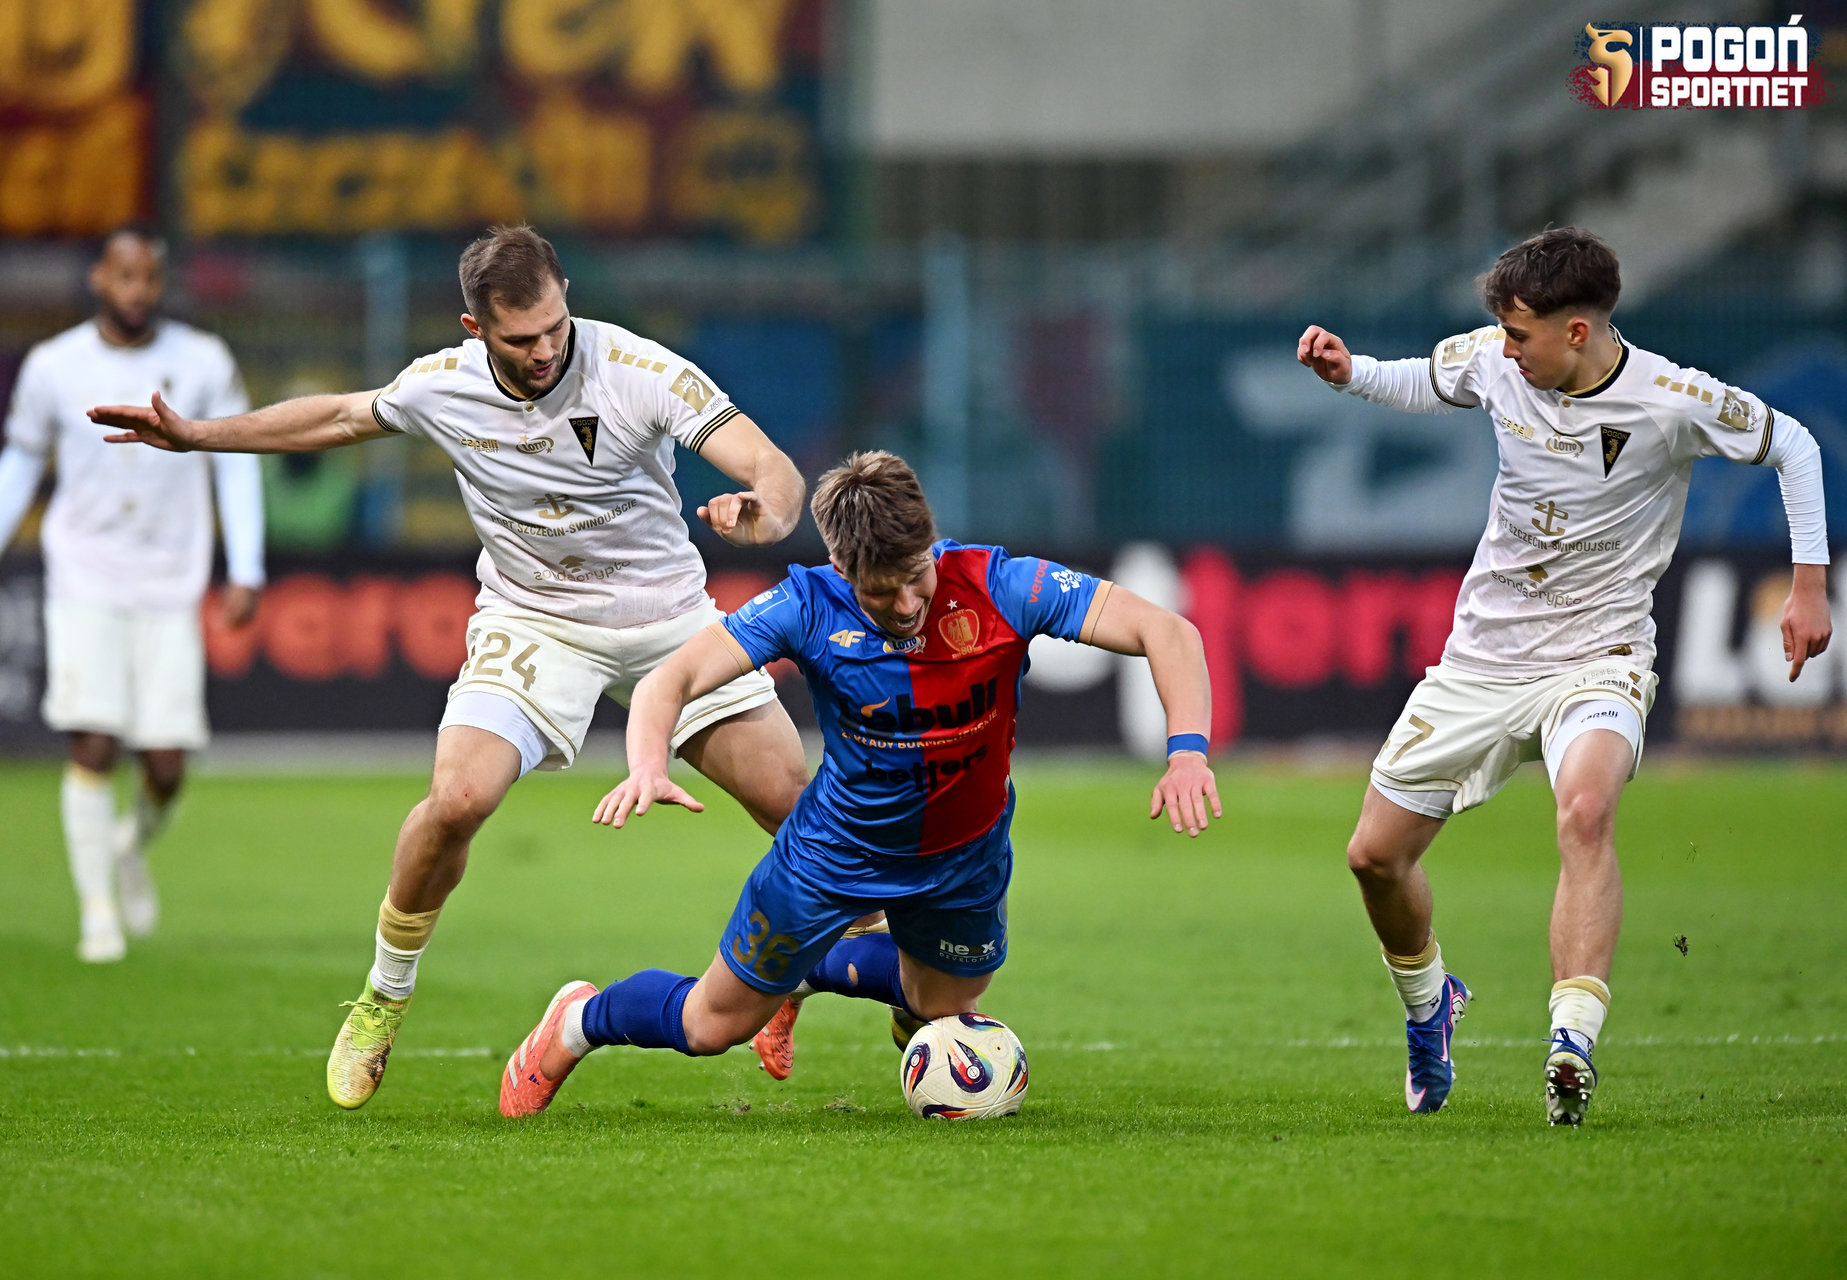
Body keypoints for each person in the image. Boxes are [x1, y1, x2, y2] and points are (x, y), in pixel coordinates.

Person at [89, 224, 812, 1110]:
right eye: (521, 338)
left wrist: (765, 513)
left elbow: (770, 466)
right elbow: (340, 415)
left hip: (669, 619)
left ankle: (793, 974)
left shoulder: (637, 369)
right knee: (458, 799)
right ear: (476, 329)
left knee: (796, 809)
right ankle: (382, 996)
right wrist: (198, 435)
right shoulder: (444, 385)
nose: (545, 350)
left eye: (555, 327)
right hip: (536, 620)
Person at [496, 450, 1219, 1119]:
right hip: (834, 852)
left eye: (916, 576)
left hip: (965, 854)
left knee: (942, 1008)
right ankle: (577, 1022)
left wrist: (1186, 753)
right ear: (842, 566)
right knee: (711, 1026)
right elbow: (670, 679)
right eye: (881, 589)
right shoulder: (806, 606)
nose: (906, 604)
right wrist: (648, 763)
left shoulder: (1001, 585)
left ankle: (809, 970)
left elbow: (1169, 632)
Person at [1297, 226, 1832, 1126]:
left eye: (1520, 336)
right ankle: (1430, 1004)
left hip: (1599, 656)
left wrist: (1807, 586)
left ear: (1576, 331)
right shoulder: (1496, 359)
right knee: (1372, 857)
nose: (1505, 351)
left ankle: (1570, 1042)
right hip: (1482, 660)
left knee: (1584, 810)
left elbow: (1796, 447)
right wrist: (1350, 373)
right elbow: (1427, 380)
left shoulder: (1672, 399)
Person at [0, 226, 264, 964]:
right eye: (124, 276)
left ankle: (128, 847)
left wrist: (246, 567)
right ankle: (97, 915)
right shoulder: (55, 366)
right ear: (98, 278)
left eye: (149, 277)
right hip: (84, 574)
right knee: (92, 738)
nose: (138, 290)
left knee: (167, 765)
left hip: (170, 581)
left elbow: (235, 464)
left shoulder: (203, 361)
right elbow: (21, 460)